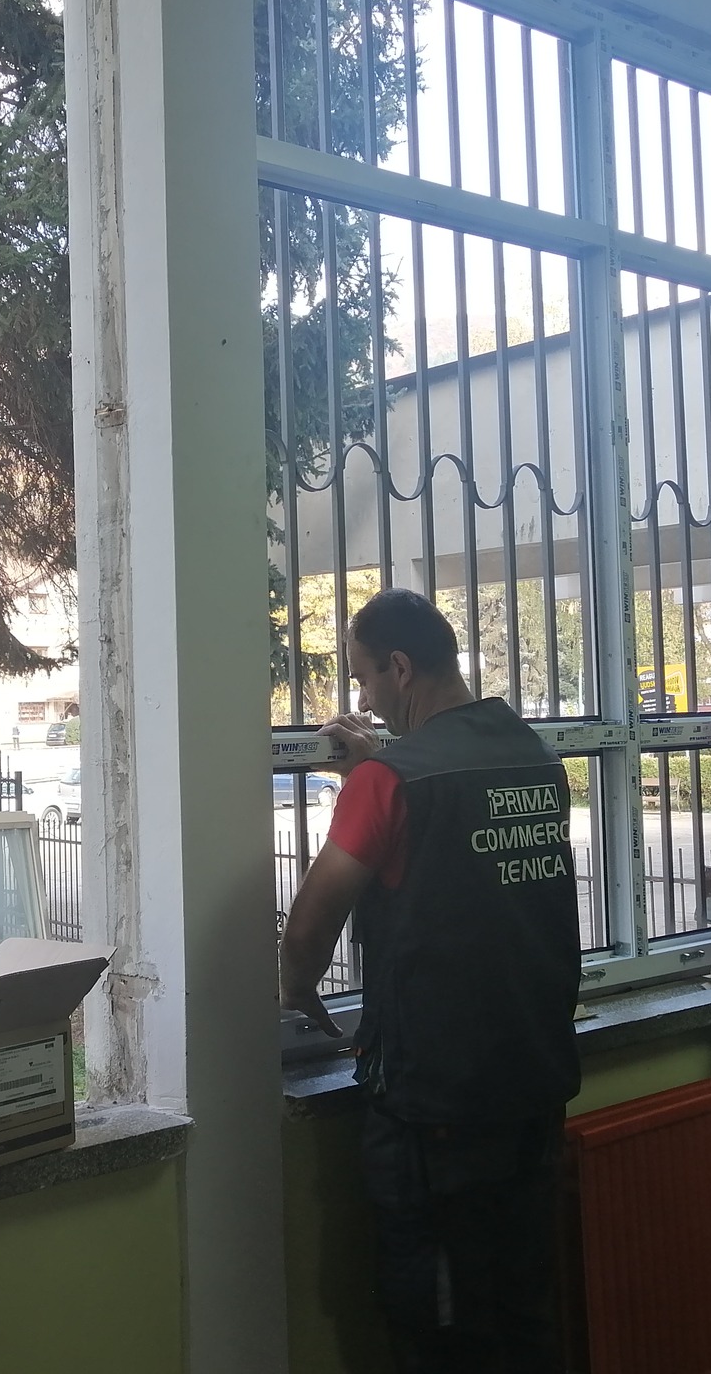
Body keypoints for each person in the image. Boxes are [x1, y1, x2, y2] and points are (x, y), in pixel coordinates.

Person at [280, 588, 580, 1373]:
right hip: (534, 1080)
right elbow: (465, 844)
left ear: (401, 668)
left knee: (441, 1324)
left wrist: (298, 992)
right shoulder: (534, 755)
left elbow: (308, 930)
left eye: (363, 679)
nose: (364, 700)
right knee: (524, 1304)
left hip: (437, 1104)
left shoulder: (390, 782)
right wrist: (377, 768)